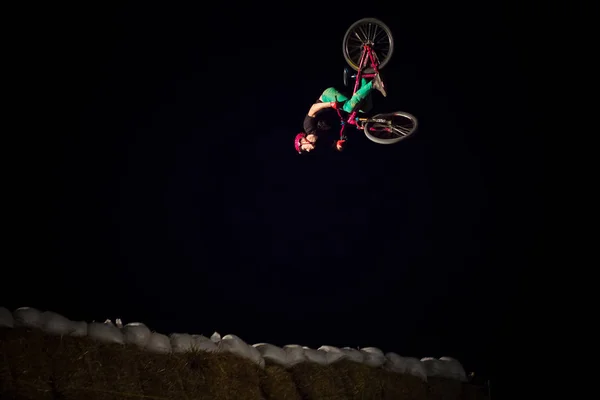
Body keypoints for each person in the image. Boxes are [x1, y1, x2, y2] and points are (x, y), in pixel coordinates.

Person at [294, 74, 387, 153]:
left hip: (327, 97)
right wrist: (339, 145)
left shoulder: (308, 126)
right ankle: (364, 80)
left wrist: (330, 104)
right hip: (338, 109)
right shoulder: (321, 140)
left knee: (349, 108)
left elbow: (313, 108)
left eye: (304, 148)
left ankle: (374, 83)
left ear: (303, 140)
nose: (308, 150)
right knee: (365, 108)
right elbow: (335, 145)